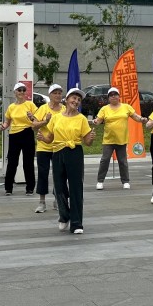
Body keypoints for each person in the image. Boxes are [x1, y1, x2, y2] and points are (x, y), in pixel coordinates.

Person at [38, 87, 96, 234]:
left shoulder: (81, 118)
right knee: (59, 188)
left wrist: (90, 139)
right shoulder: (56, 117)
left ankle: (76, 223)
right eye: (73, 98)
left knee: (76, 188)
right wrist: (43, 138)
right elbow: (50, 138)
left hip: (74, 152)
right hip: (57, 152)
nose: (75, 101)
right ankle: (64, 216)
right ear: (67, 99)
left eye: (78, 100)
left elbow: (87, 142)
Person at [93, 87, 146, 190]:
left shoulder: (126, 107)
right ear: (108, 98)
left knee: (122, 161)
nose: (113, 96)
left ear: (119, 96)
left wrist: (142, 119)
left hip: (122, 139)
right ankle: (100, 181)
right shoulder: (104, 109)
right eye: (111, 95)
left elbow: (135, 116)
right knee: (105, 160)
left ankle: (125, 181)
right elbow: (99, 120)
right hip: (108, 139)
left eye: (115, 94)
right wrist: (95, 121)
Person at [30, 84, 64, 213]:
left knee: (59, 174)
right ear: (49, 95)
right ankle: (42, 202)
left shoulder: (64, 109)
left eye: (60, 93)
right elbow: (34, 125)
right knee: (43, 174)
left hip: (59, 147)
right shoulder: (43, 108)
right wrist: (45, 121)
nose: (57, 95)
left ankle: (57, 200)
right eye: (55, 93)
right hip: (44, 147)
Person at [0, 82, 38, 196]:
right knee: (12, 162)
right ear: (15, 92)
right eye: (19, 90)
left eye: (23, 90)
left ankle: (30, 187)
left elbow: (37, 119)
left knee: (28, 162)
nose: (21, 92)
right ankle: (8, 188)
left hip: (27, 133)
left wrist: (32, 117)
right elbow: (7, 121)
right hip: (14, 135)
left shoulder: (30, 105)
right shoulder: (11, 107)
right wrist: (3, 126)